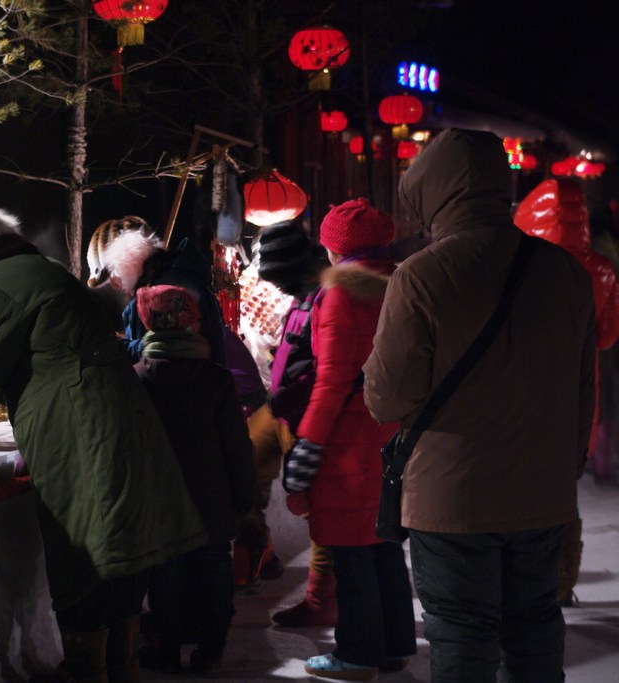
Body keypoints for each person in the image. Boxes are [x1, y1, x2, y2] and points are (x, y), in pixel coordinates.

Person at [0, 192, 208, 683]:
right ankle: (122, 668)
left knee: (82, 563)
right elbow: (31, 355)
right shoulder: (43, 270)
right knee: (118, 561)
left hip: (81, 436)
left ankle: (90, 672)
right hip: (119, 422)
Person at [363, 128, 596, 683]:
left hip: (453, 497)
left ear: (430, 192)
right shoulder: (566, 273)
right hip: (543, 492)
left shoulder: (421, 276)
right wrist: (566, 470)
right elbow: (583, 389)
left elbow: (386, 397)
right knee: (537, 628)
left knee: (463, 635)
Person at [282, 198, 416, 680]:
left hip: (350, 438)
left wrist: (307, 445)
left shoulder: (341, 295)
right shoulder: (406, 285)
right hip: (394, 432)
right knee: (382, 544)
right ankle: (395, 646)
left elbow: (332, 380)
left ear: (336, 248)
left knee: (352, 551)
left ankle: (357, 654)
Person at [131, 284, 256, 675]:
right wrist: (244, 499)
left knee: (166, 574)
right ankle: (211, 650)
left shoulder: (135, 380)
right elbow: (237, 447)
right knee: (216, 567)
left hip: (160, 501)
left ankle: (166, 650)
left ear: (147, 320)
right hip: (212, 499)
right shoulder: (216, 379)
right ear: (192, 322)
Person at [514, 177, 619, 607]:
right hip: (580, 386)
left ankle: (521, 577)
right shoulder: (601, 267)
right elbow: (607, 336)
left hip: (520, 386)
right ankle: (559, 581)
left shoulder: (518, 262)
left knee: (518, 485)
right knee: (564, 486)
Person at [241, 220, 340, 625]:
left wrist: (288, 394)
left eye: (279, 280)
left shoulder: (329, 296)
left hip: (308, 412)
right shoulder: (303, 293)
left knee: (320, 512)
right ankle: (259, 553)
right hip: (282, 406)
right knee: (242, 463)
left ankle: (321, 601)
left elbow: (326, 369)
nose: (276, 289)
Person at [85, 216, 226, 365]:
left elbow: (166, 350)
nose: (113, 284)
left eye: (112, 274)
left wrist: (120, 348)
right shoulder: (170, 279)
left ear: (125, 261)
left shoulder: (167, 290)